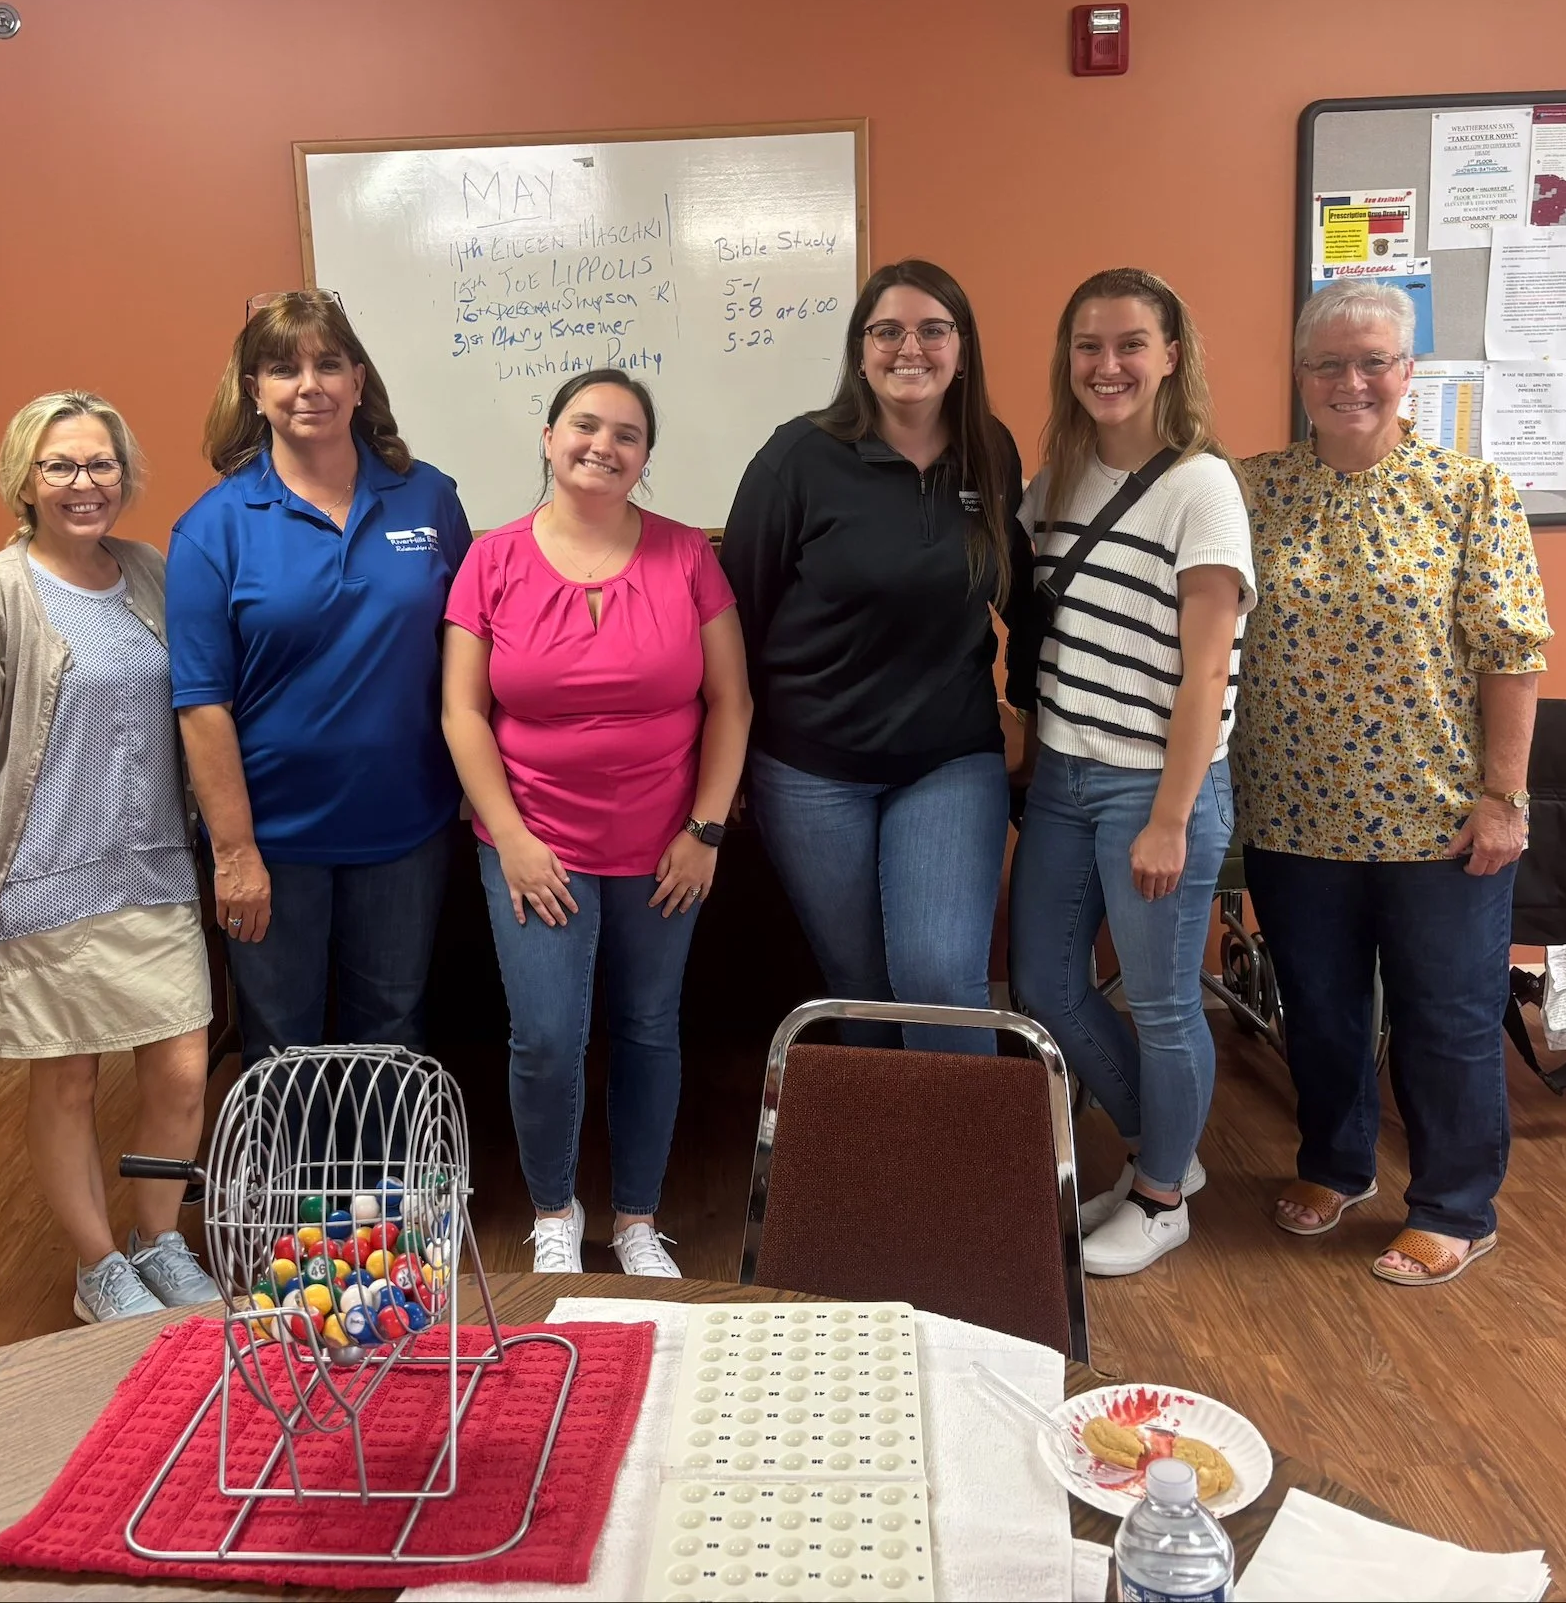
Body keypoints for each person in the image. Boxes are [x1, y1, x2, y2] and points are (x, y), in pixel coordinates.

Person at [1235, 278, 1551, 1288]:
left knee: (1446, 1015)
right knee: (1319, 1009)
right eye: (1327, 363)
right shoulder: (1252, 491)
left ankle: (1455, 1202)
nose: (1350, 381)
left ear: (1407, 373)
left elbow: (1512, 649)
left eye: (1372, 360)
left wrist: (1503, 795)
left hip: (1436, 818)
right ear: (1299, 378)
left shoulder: (1469, 491)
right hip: (1292, 813)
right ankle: (1333, 1163)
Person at [442, 370, 751, 1277]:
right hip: (532, 843)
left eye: (626, 434)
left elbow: (730, 702)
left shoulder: (687, 554)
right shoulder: (492, 559)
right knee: (545, 1035)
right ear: (548, 438)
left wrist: (706, 831)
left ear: (645, 459)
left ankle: (637, 1222)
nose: (602, 446)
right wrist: (516, 839)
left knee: (650, 1026)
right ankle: (551, 1212)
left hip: (666, 849)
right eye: (585, 426)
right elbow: (462, 712)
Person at [0, 392, 221, 1325]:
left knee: (182, 1069)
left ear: (124, 474)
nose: (83, 483)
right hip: (48, 873)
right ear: (26, 479)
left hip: (154, 866)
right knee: (68, 1078)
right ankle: (99, 1266)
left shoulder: (147, 571)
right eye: (60, 466)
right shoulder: (0, 590)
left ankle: (158, 1237)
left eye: (99, 464)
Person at [1006, 268, 1253, 1277]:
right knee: (1046, 986)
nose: (1105, 365)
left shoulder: (1200, 485)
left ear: (1169, 357)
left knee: (1159, 1002)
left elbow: (1207, 668)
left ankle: (1160, 1196)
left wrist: (1169, 816)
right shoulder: (1057, 478)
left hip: (1153, 788)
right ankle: (1168, 1149)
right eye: (1086, 346)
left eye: (1128, 345)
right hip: (1061, 774)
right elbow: (1010, 594)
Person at [720, 258, 1032, 1052]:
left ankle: (960, 1176)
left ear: (962, 349)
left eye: (933, 329)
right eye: (886, 331)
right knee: (858, 991)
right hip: (810, 770)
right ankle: (885, 1168)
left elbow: (1024, 592)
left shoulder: (991, 453)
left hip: (948, 759)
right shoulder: (798, 457)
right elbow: (734, 616)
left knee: (938, 982)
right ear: (860, 352)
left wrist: (1027, 700)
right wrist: (723, 764)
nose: (910, 348)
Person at [168, 293, 472, 1067]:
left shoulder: (429, 497)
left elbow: (473, 653)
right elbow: (202, 706)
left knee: (395, 1032)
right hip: (274, 841)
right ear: (253, 391)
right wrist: (234, 853)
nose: (310, 384)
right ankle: (288, 1193)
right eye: (283, 368)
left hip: (407, 828)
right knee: (279, 1042)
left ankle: (390, 1192)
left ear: (359, 382)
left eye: (328, 364)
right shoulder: (214, 527)